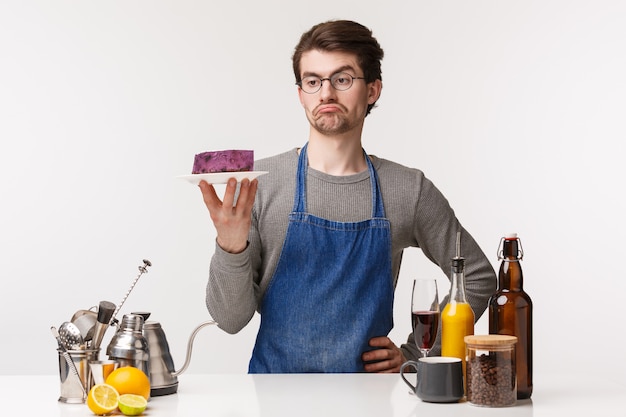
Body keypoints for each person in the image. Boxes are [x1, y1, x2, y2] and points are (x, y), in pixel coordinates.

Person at [199, 20, 496, 373]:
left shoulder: (408, 189)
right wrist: (231, 247)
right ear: (300, 94)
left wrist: (418, 354)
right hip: (274, 395)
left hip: (371, 398)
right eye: (313, 81)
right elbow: (230, 321)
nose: (326, 93)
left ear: (372, 90)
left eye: (342, 79)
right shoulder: (258, 184)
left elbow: (477, 277)